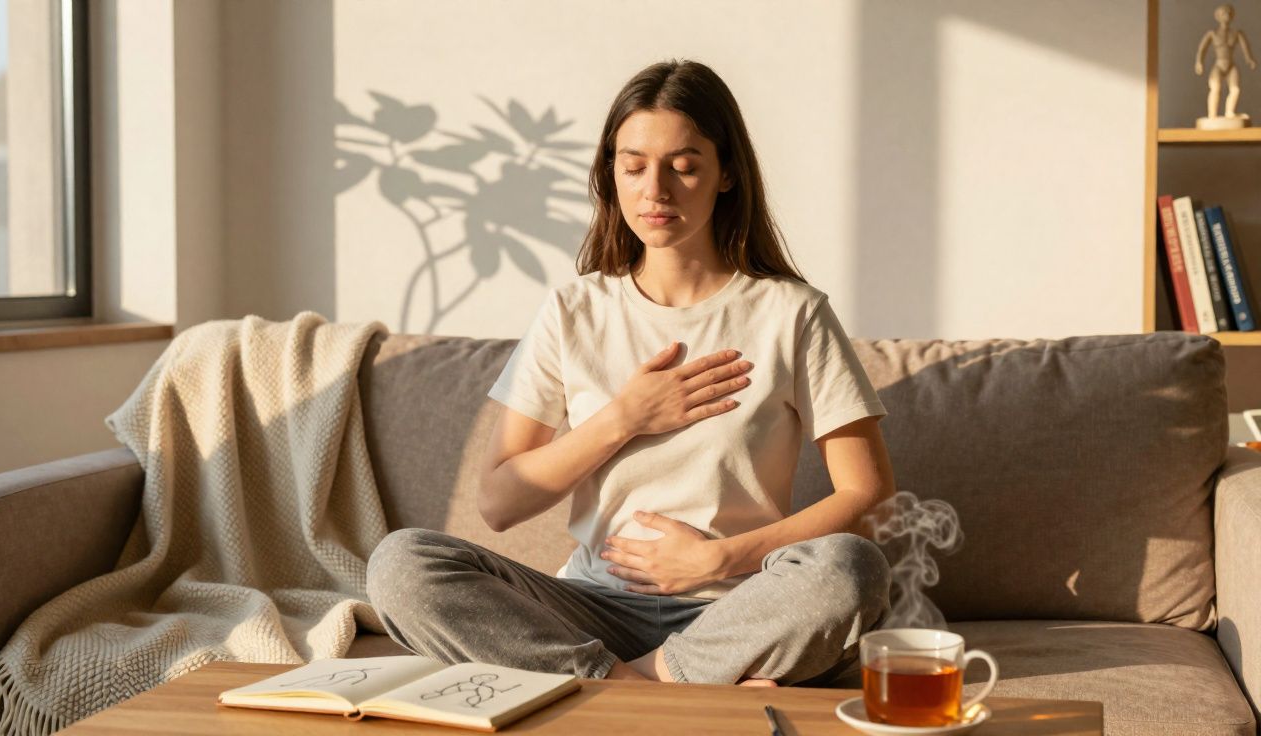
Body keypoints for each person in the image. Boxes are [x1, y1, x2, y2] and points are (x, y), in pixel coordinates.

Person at [366, 58, 896, 687]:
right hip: (592, 610)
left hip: (738, 607)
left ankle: (624, 683)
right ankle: (647, 683)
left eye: (685, 164)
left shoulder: (792, 314)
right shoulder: (574, 311)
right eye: (634, 165)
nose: (656, 191)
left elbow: (867, 495)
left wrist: (717, 558)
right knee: (401, 563)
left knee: (850, 568)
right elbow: (500, 502)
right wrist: (624, 418)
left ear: (726, 174)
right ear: (610, 175)